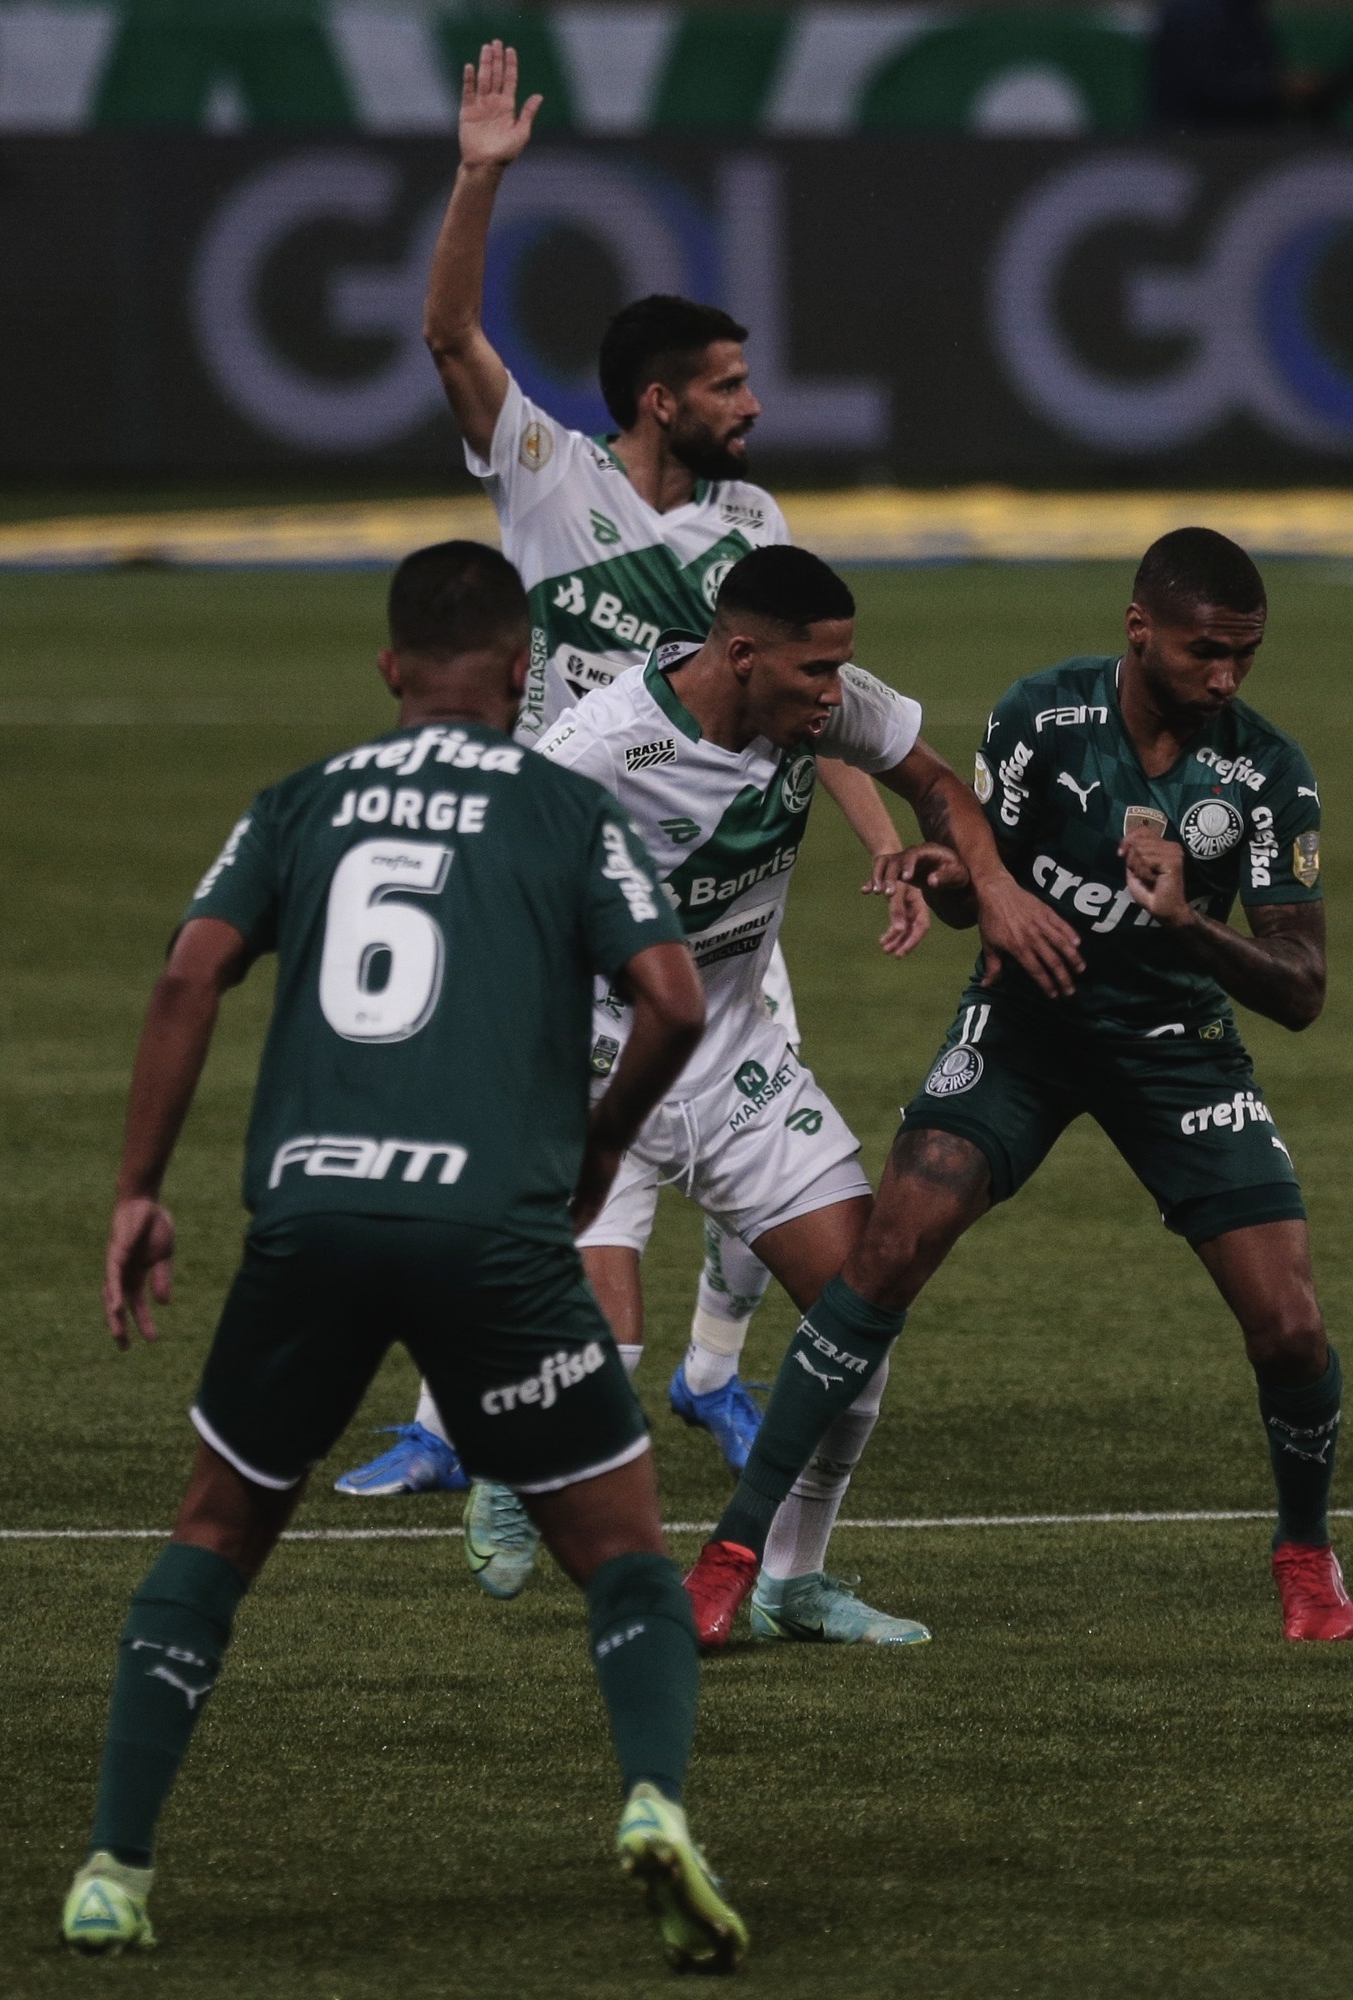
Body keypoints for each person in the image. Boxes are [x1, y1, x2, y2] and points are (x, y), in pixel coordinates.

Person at [59, 543, 749, 1974]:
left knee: (214, 1533)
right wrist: (603, 1143)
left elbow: (189, 971)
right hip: (490, 1230)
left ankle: (114, 1871)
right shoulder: (562, 805)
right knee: (620, 1553)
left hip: (309, 1222)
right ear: (519, 675)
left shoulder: (306, 800)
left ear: (387, 672)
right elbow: (672, 998)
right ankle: (654, 1801)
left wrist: (136, 1188)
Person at [333, 40, 921, 1520]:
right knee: (555, 1180)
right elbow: (447, 329)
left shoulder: (751, 519)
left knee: (724, 1156)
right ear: (659, 401)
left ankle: (700, 1390)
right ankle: (476, 1429)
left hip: (720, 891)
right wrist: (479, 176)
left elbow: (817, 698)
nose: (755, 405)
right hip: (570, 889)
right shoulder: (550, 478)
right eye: (730, 384)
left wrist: (871, 834)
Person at [682, 528, 1353, 1649]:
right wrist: (947, 877)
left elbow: (1301, 989)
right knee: (888, 1248)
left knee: (1289, 1325)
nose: (1226, 677)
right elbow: (979, 887)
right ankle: (733, 1551)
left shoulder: (1268, 774)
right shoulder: (1042, 719)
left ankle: (1304, 1548)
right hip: (1027, 1019)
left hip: (1174, 1041)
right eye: (1205, 651)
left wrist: (1189, 924)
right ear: (1139, 628)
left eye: (1245, 654)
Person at [511, 542, 1083, 1645]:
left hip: (736, 1068)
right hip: (600, 1070)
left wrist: (990, 885)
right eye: (815, 671)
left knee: (860, 1309)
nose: (835, 695)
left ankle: (792, 1577)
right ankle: (520, 1469)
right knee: (599, 1355)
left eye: (842, 671)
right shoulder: (594, 750)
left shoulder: (826, 710)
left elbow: (941, 786)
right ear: (739, 655)